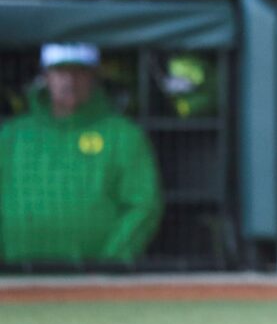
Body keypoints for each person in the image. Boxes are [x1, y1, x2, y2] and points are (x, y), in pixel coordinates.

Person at [0, 43, 163, 265]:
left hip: (95, 280)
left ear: (94, 77)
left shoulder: (123, 134)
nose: (69, 80)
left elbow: (143, 205)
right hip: (15, 274)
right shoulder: (11, 135)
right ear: (45, 76)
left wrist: (111, 261)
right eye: (60, 71)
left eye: (79, 71)